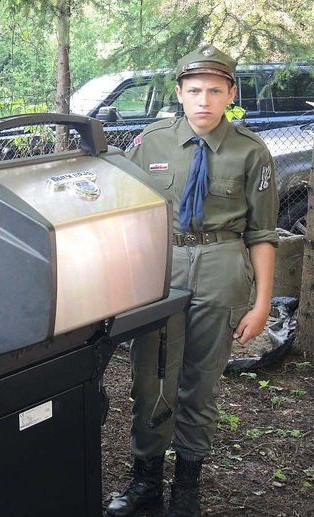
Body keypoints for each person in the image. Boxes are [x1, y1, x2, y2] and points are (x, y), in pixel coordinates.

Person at [107, 44, 279, 517]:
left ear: (230, 95)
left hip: (222, 263)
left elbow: (263, 233)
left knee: (200, 384)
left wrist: (262, 302)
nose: (204, 100)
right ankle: (145, 482)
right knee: (150, 376)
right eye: (195, 90)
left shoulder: (251, 151)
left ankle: (187, 487)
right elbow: (124, 211)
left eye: (215, 91)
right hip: (162, 264)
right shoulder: (151, 142)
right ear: (179, 93)